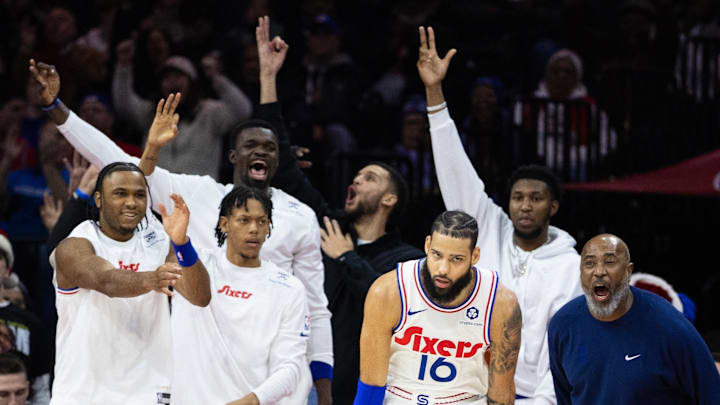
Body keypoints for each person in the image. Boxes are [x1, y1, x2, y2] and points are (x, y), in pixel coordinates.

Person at [30, 34, 333, 403]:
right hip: (193, 372)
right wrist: (60, 112)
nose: (252, 229)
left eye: (271, 148)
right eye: (251, 145)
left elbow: (316, 310)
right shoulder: (198, 195)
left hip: (262, 366)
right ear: (233, 155)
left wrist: (323, 387)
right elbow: (117, 164)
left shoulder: (299, 216)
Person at [255, 17, 424, 404]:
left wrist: (346, 258)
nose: (357, 181)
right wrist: (268, 79)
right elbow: (282, 165)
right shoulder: (329, 224)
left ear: (390, 199)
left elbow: (397, 310)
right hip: (304, 385)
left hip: (365, 391)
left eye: (369, 178)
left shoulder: (406, 260)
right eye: (357, 176)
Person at [418, 26, 582, 404]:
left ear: (552, 207)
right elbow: (453, 166)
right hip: (467, 389)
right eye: (518, 197)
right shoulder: (488, 224)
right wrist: (434, 93)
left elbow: (565, 345)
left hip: (533, 398)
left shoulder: (571, 266)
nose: (525, 205)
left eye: (536, 198)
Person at [48, 161, 211, 404]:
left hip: (149, 391)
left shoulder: (158, 242)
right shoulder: (75, 245)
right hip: (84, 393)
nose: (132, 203)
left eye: (139, 195)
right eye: (120, 194)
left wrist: (181, 243)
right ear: (99, 199)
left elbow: (200, 296)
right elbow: (107, 282)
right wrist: (152, 278)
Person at [354, 210, 521, 405]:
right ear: (427, 245)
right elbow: (371, 385)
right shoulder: (388, 292)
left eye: (456, 259)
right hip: (400, 397)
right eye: (437, 255)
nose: (443, 269)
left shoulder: (501, 304)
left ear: (474, 256)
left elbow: (501, 392)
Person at [172, 185, 309, 404]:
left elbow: (291, 368)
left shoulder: (289, 288)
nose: (254, 229)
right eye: (244, 220)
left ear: (269, 227)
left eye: (262, 221)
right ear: (224, 224)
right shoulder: (195, 265)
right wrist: (180, 243)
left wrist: (253, 400)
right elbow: (197, 293)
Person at [548, 234, 720, 404]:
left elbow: (711, 393)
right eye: (589, 263)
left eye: (609, 262)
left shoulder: (670, 326)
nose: (599, 271)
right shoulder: (562, 325)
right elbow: (565, 396)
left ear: (628, 271)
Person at [112, 40, 253, 178]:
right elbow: (124, 104)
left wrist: (217, 78)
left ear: (191, 83)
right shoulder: (153, 113)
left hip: (198, 195)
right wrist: (123, 67)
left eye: (178, 76)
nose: (172, 81)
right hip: (159, 194)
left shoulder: (209, 112)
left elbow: (242, 110)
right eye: (166, 77)